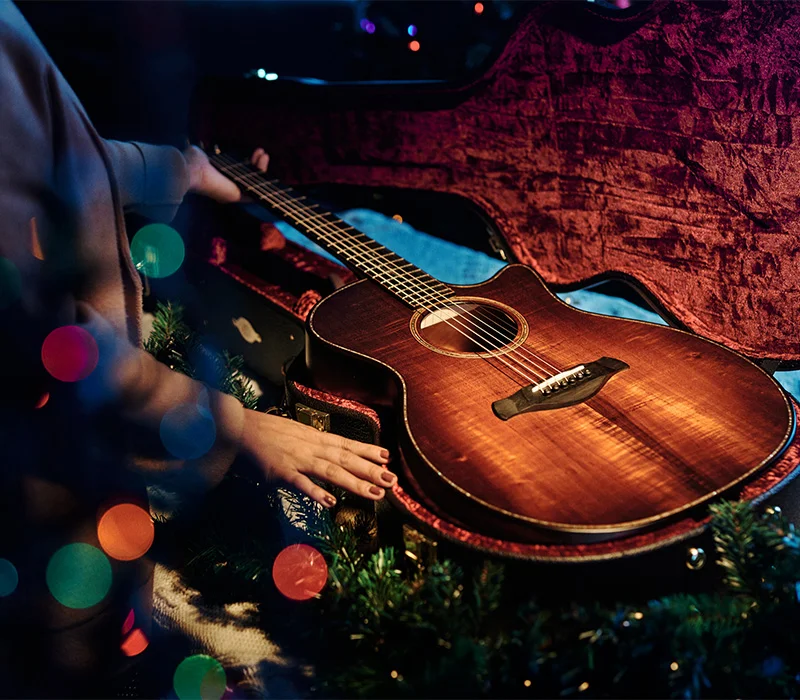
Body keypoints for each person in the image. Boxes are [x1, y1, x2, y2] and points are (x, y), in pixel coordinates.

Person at [0, 1, 395, 695]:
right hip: (44, 515)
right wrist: (236, 423)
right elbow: (44, 333)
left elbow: (69, 162)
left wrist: (187, 169)